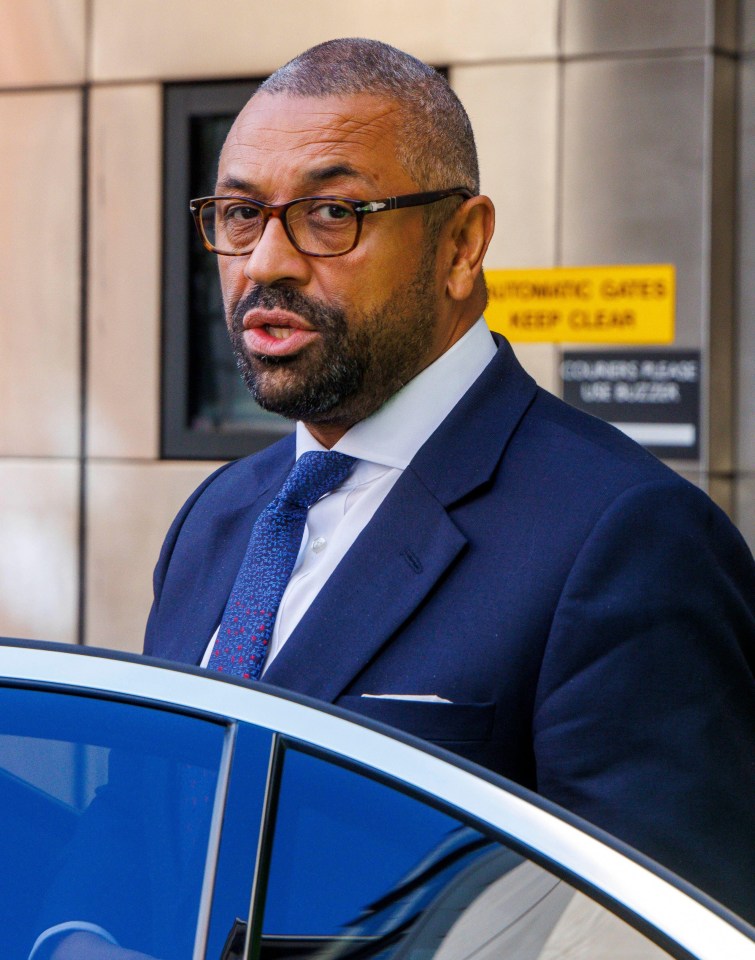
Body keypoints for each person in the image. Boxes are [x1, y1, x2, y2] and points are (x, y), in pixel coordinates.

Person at [143, 37, 755, 926]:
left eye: (329, 213)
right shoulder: (219, 516)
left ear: (462, 243)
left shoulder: (628, 536)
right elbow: (141, 820)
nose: (265, 261)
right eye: (240, 214)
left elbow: (650, 930)